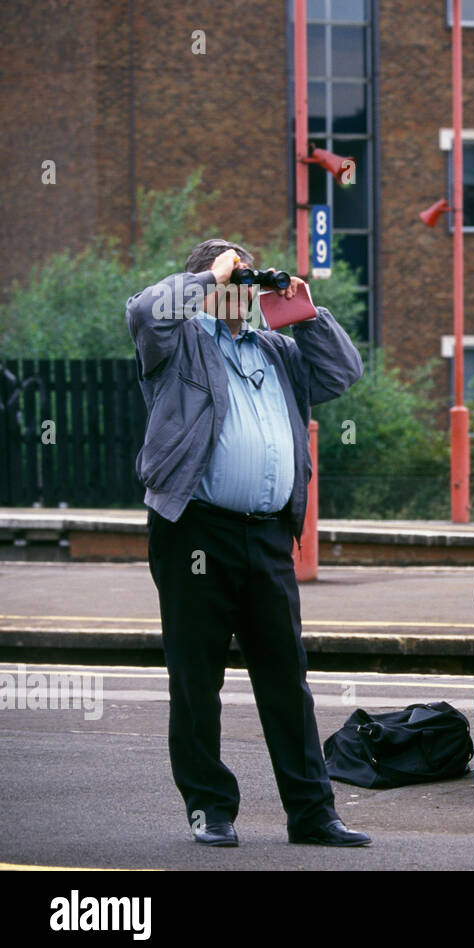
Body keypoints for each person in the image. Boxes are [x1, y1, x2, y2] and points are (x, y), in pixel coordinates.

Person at [125, 238, 371, 847]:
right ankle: (209, 807)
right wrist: (214, 274)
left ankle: (312, 813)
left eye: (245, 276)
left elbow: (342, 374)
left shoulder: (277, 349)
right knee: (196, 676)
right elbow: (144, 311)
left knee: (286, 678)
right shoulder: (176, 343)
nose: (241, 289)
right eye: (231, 276)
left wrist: (304, 312)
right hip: (194, 531)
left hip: (266, 535)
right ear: (205, 285)